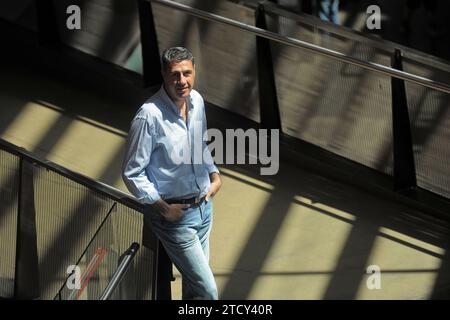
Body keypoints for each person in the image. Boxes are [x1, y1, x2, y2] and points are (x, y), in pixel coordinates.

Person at [122, 47, 221, 300]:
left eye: (187, 73)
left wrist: (213, 174)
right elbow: (132, 172)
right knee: (208, 291)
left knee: (194, 289)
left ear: (194, 72)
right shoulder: (149, 116)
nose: (182, 81)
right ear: (165, 75)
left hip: (203, 208)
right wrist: (164, 209)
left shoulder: (197, 101)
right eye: (175, 75)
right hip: (175, 219)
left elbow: (199, 144)